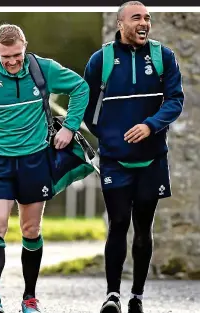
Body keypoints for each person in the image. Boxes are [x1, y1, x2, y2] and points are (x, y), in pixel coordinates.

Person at [0, 24, 89, 313]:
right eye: (6, 56)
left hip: (34, 160)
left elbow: (80, 87)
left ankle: (29, 299)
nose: (12, 62)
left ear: (25, 46)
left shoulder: (42, 69)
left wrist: (70, 128)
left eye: (18, 55)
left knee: (31, 229)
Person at [83, 2, 184, 313]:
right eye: (137, 18)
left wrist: (150, 125)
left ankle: (137, 296)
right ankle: (112, 295)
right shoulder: (100, 60)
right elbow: (87, 109)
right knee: (118, 223)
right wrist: (108, 137)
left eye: (147, 18)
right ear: (120, 23)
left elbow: (175, 100)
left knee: (143, 227)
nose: (144, 23)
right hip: (115, 160)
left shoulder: (163, 56)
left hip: (152, 158)